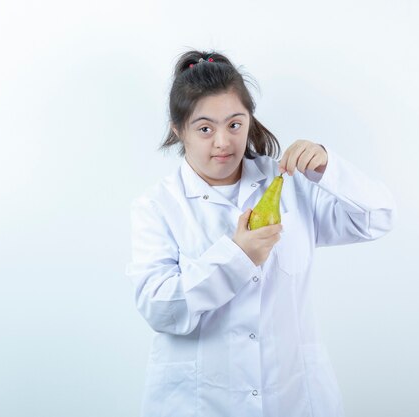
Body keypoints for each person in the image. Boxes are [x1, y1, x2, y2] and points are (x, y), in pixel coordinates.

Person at [127, 49, 397, 417]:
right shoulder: (158, 207)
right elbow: (161, 308)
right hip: (199, 403)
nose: (223, 142)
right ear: (179, 130)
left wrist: (328, 168)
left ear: (249, 121)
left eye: (234, 124)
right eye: (205, 128)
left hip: (292, 396)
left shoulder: (289, 184)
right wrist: (238, 257)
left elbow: (378, 218)